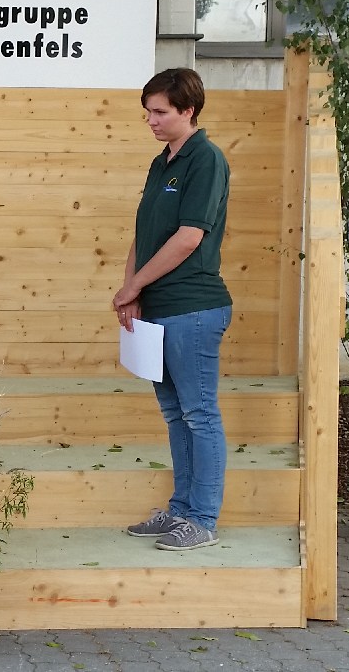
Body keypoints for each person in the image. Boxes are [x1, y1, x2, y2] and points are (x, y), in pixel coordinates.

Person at [113, 68, 232, 552]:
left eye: (160, 112)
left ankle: (203, 519)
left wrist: (134, 285)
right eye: (147, 112)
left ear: (189, 110)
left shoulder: (206, 159)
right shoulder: (160, 162)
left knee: (199, 414)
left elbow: (188, 238)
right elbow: (144, 235)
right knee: (175, 414)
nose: (151, 120)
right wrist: (131, 290)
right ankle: (181, 510)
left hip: (193, 308)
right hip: (160, 308)